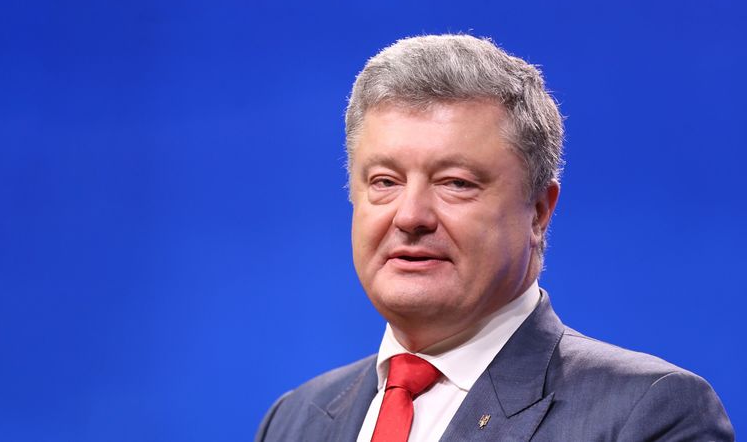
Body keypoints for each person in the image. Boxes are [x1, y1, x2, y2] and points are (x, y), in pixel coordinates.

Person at [254, 34, 734, 441]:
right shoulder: (293, 420)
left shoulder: (649, 414)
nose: (411, 216)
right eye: (385, 181)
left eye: (455, 183)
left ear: (539, 212)